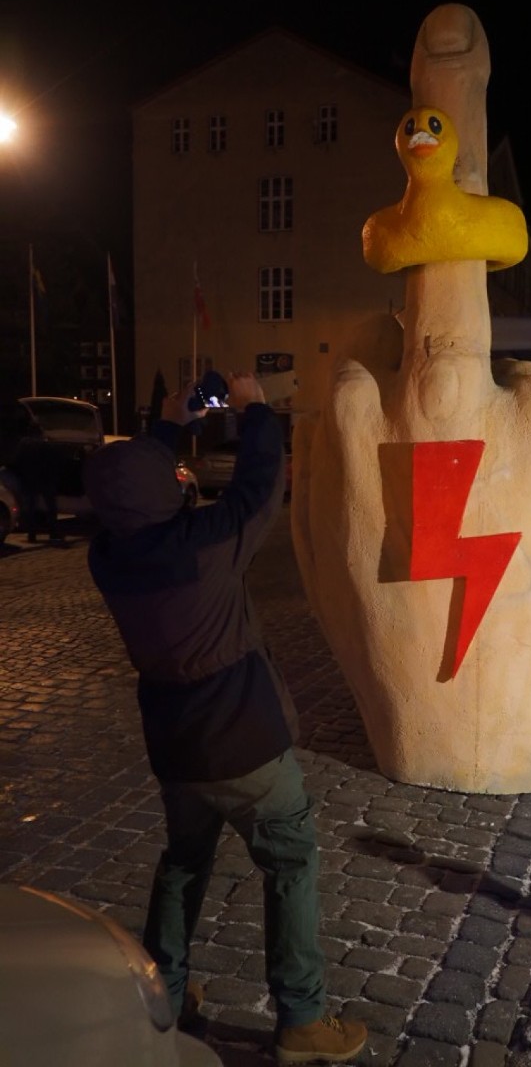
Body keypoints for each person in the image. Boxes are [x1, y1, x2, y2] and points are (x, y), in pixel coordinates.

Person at [83, 373, 366, 1063]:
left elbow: (139, 489)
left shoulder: (108, 556)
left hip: (176, 743)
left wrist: (171, 426)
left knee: (183, 865)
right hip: (242, 739)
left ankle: (167, 997)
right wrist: (257, 411)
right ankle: (301, 1018)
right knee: (291, 858)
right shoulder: (205, 546)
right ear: (168, 492)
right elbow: (258, 491)